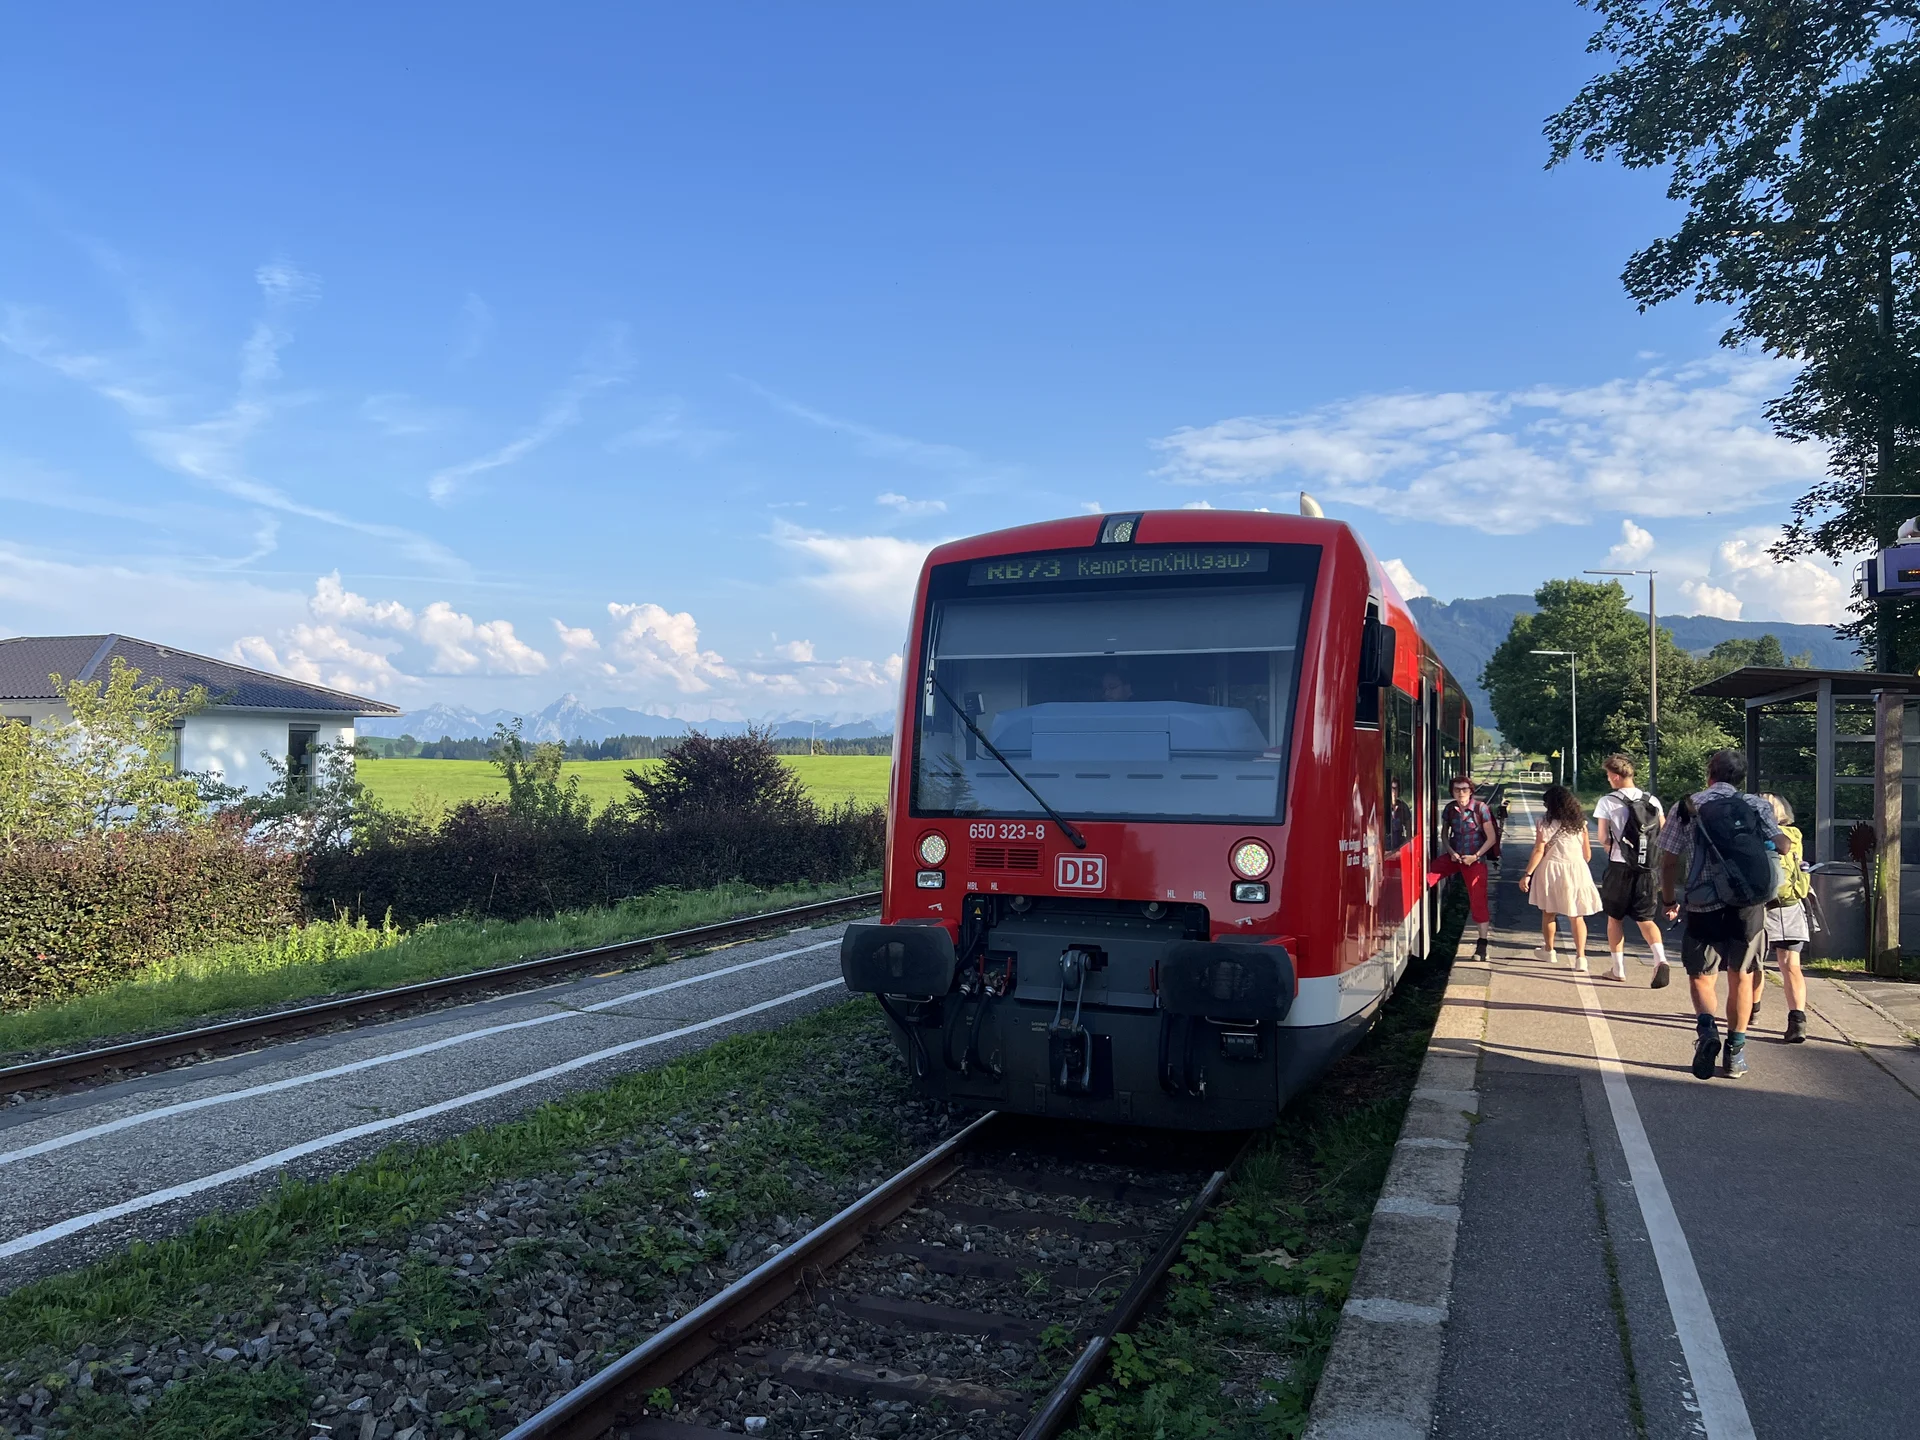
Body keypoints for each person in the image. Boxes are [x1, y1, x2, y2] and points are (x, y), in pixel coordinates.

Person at [1658, 748, 1783, 1081]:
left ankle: (1707, 1031)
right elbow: (1783, 845)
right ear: (1739, 778)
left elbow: (1668, 861)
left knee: (1701, 974)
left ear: (1708, 773)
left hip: (1703, 904)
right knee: (1741, 976)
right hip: (1746, 905)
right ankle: (1736, 1054)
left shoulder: (1688, 807)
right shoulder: (1757, 806)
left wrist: (1669, 900)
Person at [1592, 753, 1671, 987]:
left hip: (1619, 867)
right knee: (1645, 918)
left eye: (1608, 776)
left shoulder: (1608, 801)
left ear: (1616, 777)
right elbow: (1664, 832)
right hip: (1647, 870)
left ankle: (1618, 969)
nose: (1608, 780)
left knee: (1615, 918)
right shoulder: (1652, 801)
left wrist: (1613, 846)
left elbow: (1603, 837)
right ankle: (1661, 959)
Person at [1520, 785, 1602, 968]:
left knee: (1549, 913)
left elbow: (1539, 850)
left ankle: (1549, 951)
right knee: (1577, 915)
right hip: (1577, 869)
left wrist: (1527, 874)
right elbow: (1587, 855)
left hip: (1551, 870)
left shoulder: (1543, 822)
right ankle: (1581, 958)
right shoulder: (1581, 823)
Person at [1758, 793, 1813, 1043]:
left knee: (1754, 963)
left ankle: (1752, 1010)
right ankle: (1797, 1020)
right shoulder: (1795, 837)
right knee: (1791, 965)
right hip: (1790, 905)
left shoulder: (1758, 836)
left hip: (1761, 907)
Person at [1429, 776, 1497, 960]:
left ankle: (1482, 945)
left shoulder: (1480, 808)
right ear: (1452, 791)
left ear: (1471, 791)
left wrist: (1475, 856)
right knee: (1426, 877)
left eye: (1465, 789)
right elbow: (1444, 834)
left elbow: (1491, 838)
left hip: (1475, 860)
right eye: (1457, 789)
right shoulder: (1450, 809)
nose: (1461, 793)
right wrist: (1450, 852)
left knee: (1478, 900)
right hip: (1455, 857)